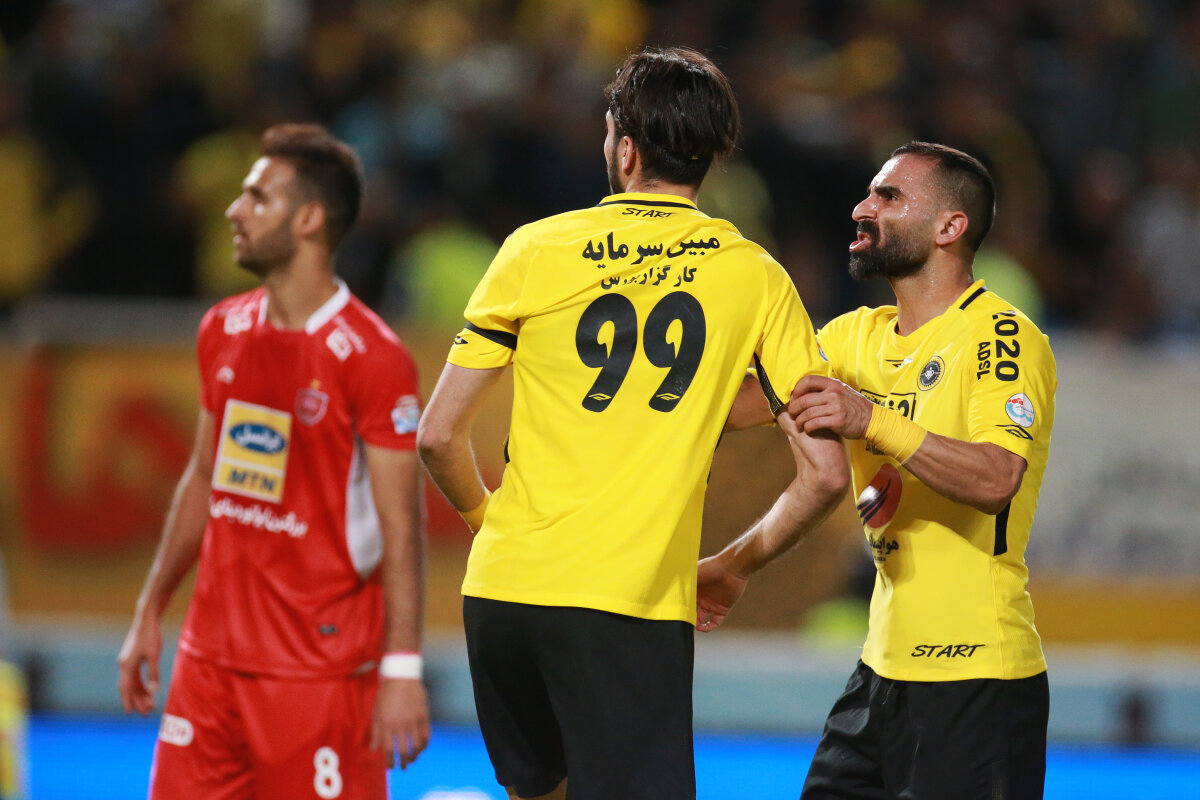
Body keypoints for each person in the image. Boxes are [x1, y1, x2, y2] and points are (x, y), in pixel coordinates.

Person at [416, 47, 847, 800]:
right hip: (627, 608)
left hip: (502, 597)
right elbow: (825, 474)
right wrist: (736, 564)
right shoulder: (754, 276)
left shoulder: (534, 248)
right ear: (711, 157)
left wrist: (491, 522)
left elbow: (438, 437)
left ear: (625, 148)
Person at [710, 142, 1056, 799]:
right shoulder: (853, 338)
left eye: (889, 196)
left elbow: (995, 478)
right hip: (879, 675)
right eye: (870, 192)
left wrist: (870, 418)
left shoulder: (1002, 338)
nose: (862, 208)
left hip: (977, 681)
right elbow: (732, 407)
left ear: (949, 226)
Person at [117, 123, 430, 799]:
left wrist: (402, 667)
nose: (234, 210)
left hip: (319, 675)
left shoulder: (373, 358)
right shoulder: (222, 328)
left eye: (257, 197)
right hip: (208, 667)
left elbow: (402, 528)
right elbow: (204, 477)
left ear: (310, 219)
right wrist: (150, 608)